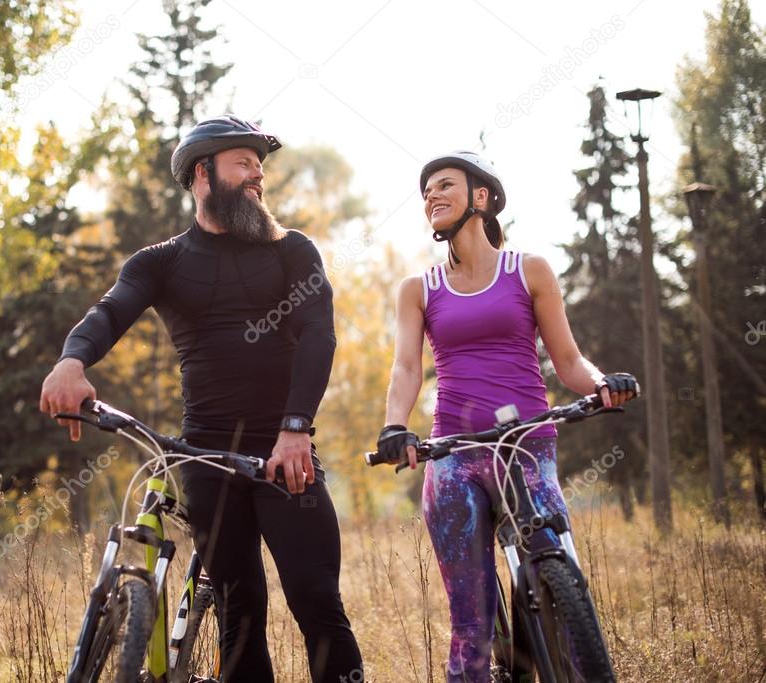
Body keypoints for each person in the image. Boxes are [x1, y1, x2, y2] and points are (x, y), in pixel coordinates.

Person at [39, 115, 363, 683]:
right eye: (244, 163)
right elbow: (109, 311)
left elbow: (318, 335)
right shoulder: (159, 262)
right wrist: (72, 361)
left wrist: (296, 429)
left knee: (316, 602)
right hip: (206, 456)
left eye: (260, 167)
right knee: (241, 612)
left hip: (283, 451)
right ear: (201, 173)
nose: (258, 176)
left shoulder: (293, 252)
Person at [376, 151, 639, 682]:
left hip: (526, 445)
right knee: (470, 623)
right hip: (452, 454)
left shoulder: (530, 270)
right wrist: (394, 426)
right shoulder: (418, 289)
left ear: (481, 197)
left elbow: (567, 360)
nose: (431, 195)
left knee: (560, 572)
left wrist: (602, 383)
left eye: (444, 185)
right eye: (426, 191)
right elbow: (406, 367)